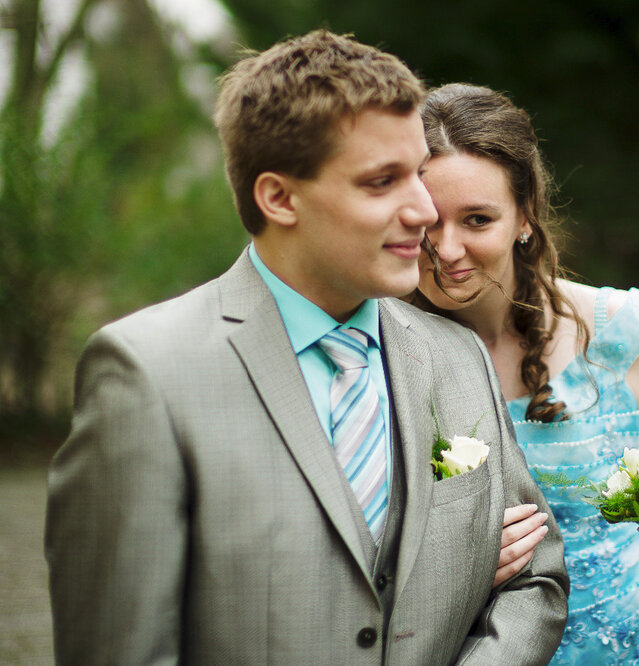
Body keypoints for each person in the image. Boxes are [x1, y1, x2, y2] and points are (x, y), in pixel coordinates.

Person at [45, 32, 568, 665]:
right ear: (278, 197)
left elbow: (535, 583)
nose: (425, 210)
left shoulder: (456, 355)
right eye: (383, 181)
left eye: (417, 172)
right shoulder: (146, 373)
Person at [411, 83, 639, 665]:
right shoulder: (374, 354)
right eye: (427, 221)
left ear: (524, 216)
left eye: (477, 219)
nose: (446, 249)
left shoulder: (624, 332)